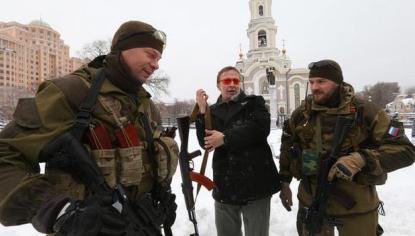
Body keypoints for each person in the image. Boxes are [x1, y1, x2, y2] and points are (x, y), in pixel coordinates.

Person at [0, 20, 178, 235]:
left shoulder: (146, 105)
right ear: (123, 49)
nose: (156, 64)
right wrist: (55, 210)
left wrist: (160, 196)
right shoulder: (73, 91)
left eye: (159, 58)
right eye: (150, 54)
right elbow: (7, 154)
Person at [278, 59, 415, 236]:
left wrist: (362, 159)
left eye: (321, 82)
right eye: (311, 82)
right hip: (311, 203)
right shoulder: (301, 114)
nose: (314, 87)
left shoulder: (366, 111)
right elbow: (287, 147)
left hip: (356, 208)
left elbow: (406, 150)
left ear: (338, 83)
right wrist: (284, 181)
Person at [195, 66, 281, 236]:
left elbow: (260, 128)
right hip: (225, 186)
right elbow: (205, 142)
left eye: (235, 81)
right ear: (219, 85)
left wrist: (225, 138)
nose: (232, 85)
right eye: (227, 81)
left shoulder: (254, 103)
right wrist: (202, 110)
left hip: (256, 185)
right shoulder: (212, 111)